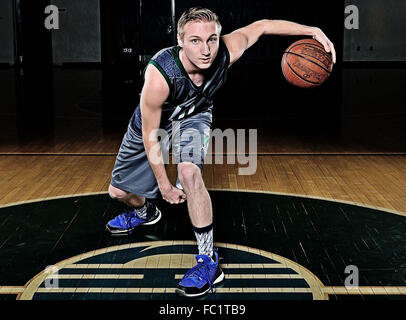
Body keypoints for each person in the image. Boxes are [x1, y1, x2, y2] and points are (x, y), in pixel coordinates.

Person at [106, 7, 336, 297]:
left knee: (189, 174)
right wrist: (163, 185)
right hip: (151, 126)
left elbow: (263, 25)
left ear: (218, 37)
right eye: (195, 41)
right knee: (117, 192)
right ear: (180, 41)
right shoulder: (159, 75)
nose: (206, 50)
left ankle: (207, 261)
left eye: (211, 39)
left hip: (193, 118)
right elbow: (152, 138)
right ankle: (144, 211)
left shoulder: (226, 51)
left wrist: (311, 30)